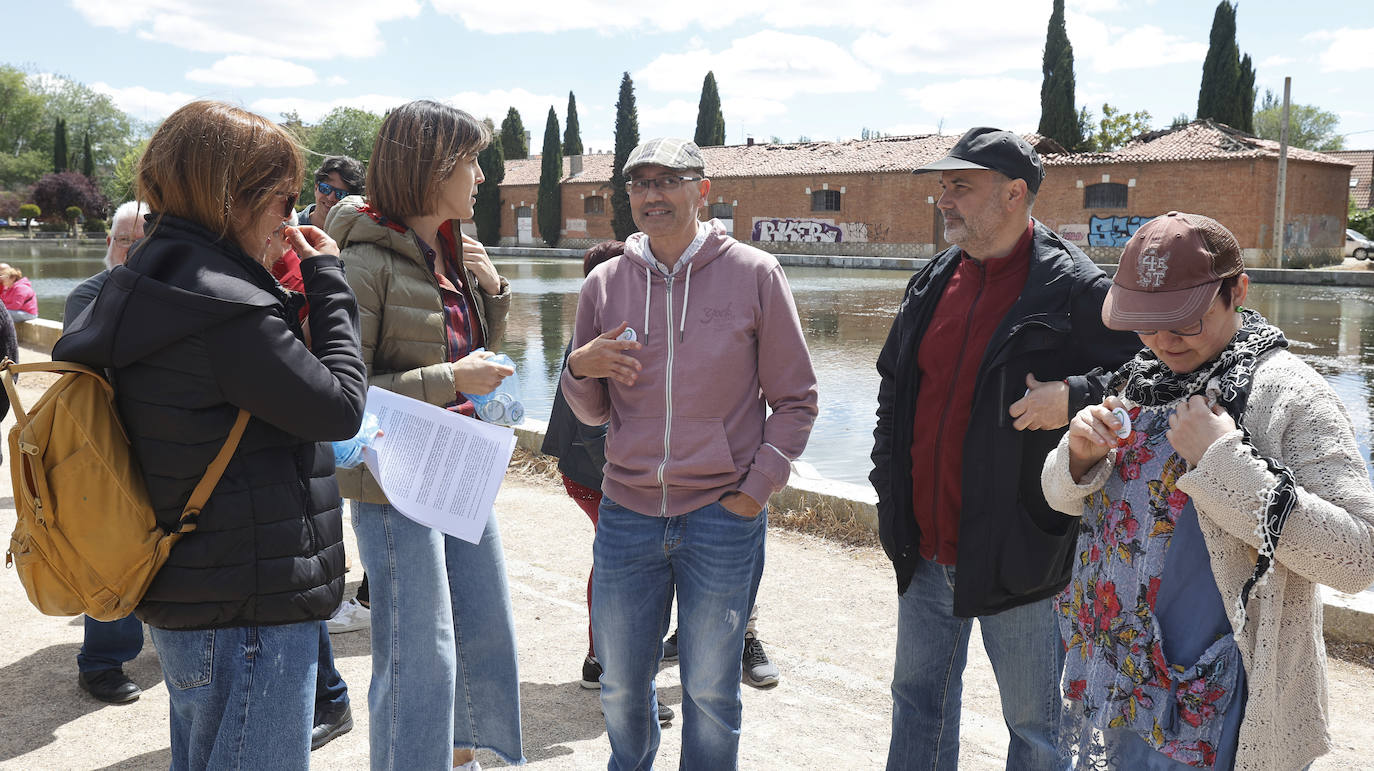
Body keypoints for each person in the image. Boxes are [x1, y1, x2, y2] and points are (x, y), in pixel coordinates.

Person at [52, 100, 367, 770]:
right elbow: (340, 407)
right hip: (249, 603)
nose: (291, 217)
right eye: (284, 199)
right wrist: (329, 283)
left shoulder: (142, 280)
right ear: (235, 196)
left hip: (186, 589)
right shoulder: (226, 309)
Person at [1043, 212, 1374, 770]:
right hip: (1124, 677)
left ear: (1237, 291)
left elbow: (1357, 556)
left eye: (1184, 322)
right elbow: (1061, 495)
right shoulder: (1141, 375)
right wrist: (1076, 457)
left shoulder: (1291, 395)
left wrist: (1224, 461)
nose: (1163, 342)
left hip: (1221, 695)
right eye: (1146, 324)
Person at [869, 127, 1139, 771]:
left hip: (1025, 554)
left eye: (960, 185)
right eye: (942, 185)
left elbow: (1148, 372)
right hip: (926, 548)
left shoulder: (1074, 287)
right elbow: (893, 389)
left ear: (1015, 193)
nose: (944, 199)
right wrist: (890, 493)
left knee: (1038, 728)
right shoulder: (933, 281)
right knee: (916, 703)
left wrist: (1073, 396)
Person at [560, 137, 818, 770]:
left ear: (702, 190)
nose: (652, 195)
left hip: (721, 518)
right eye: (639, 184)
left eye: (667, 180)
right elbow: (592, 410)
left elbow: (797, 400)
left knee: (709, 690)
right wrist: (577, 367)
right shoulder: (604, 282)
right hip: (626, 514)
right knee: (621, 687)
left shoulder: (756, 274)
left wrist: (753, 491)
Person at [329, 99, 524, 771]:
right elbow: (343, 397)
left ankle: (465, 759)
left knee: (483, 633)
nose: (482, 175)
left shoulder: (451, 250)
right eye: (471, 160)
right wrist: (449, 378)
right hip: (394, 483)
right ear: (429, 167)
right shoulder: (363, 261)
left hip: (458, 469)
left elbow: (479, 368)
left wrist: (492, 291)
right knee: (421, 655)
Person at [542, 240, 674, 724]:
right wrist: (631, 479)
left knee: (616, 558)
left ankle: (604, 661)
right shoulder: (600, 337)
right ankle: (611, 665)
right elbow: (594, 427)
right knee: (627, 564)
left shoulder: (602, 333)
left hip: (588, 472)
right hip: (598, 476)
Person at [261, 215, 356, 750]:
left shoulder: (297, 270)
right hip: (286, 457)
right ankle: (329, 695)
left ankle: (331, 698)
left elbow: (335, 387)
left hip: (304, 449)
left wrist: (324, 278)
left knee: (302, 574)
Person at [64, 200, 148, 705]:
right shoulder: (87, 295)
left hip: (166, 443)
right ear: (109, 245)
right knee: (113, 554)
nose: (134, 251)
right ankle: (101, 663)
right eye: (125, 241)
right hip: (110, 446)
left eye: (145, 242)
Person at [299, 155, 365, 228]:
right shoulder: (288, 226)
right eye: (326, 188)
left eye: (341, 194)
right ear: (316, 188)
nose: (331, 198)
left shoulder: (357, 237)